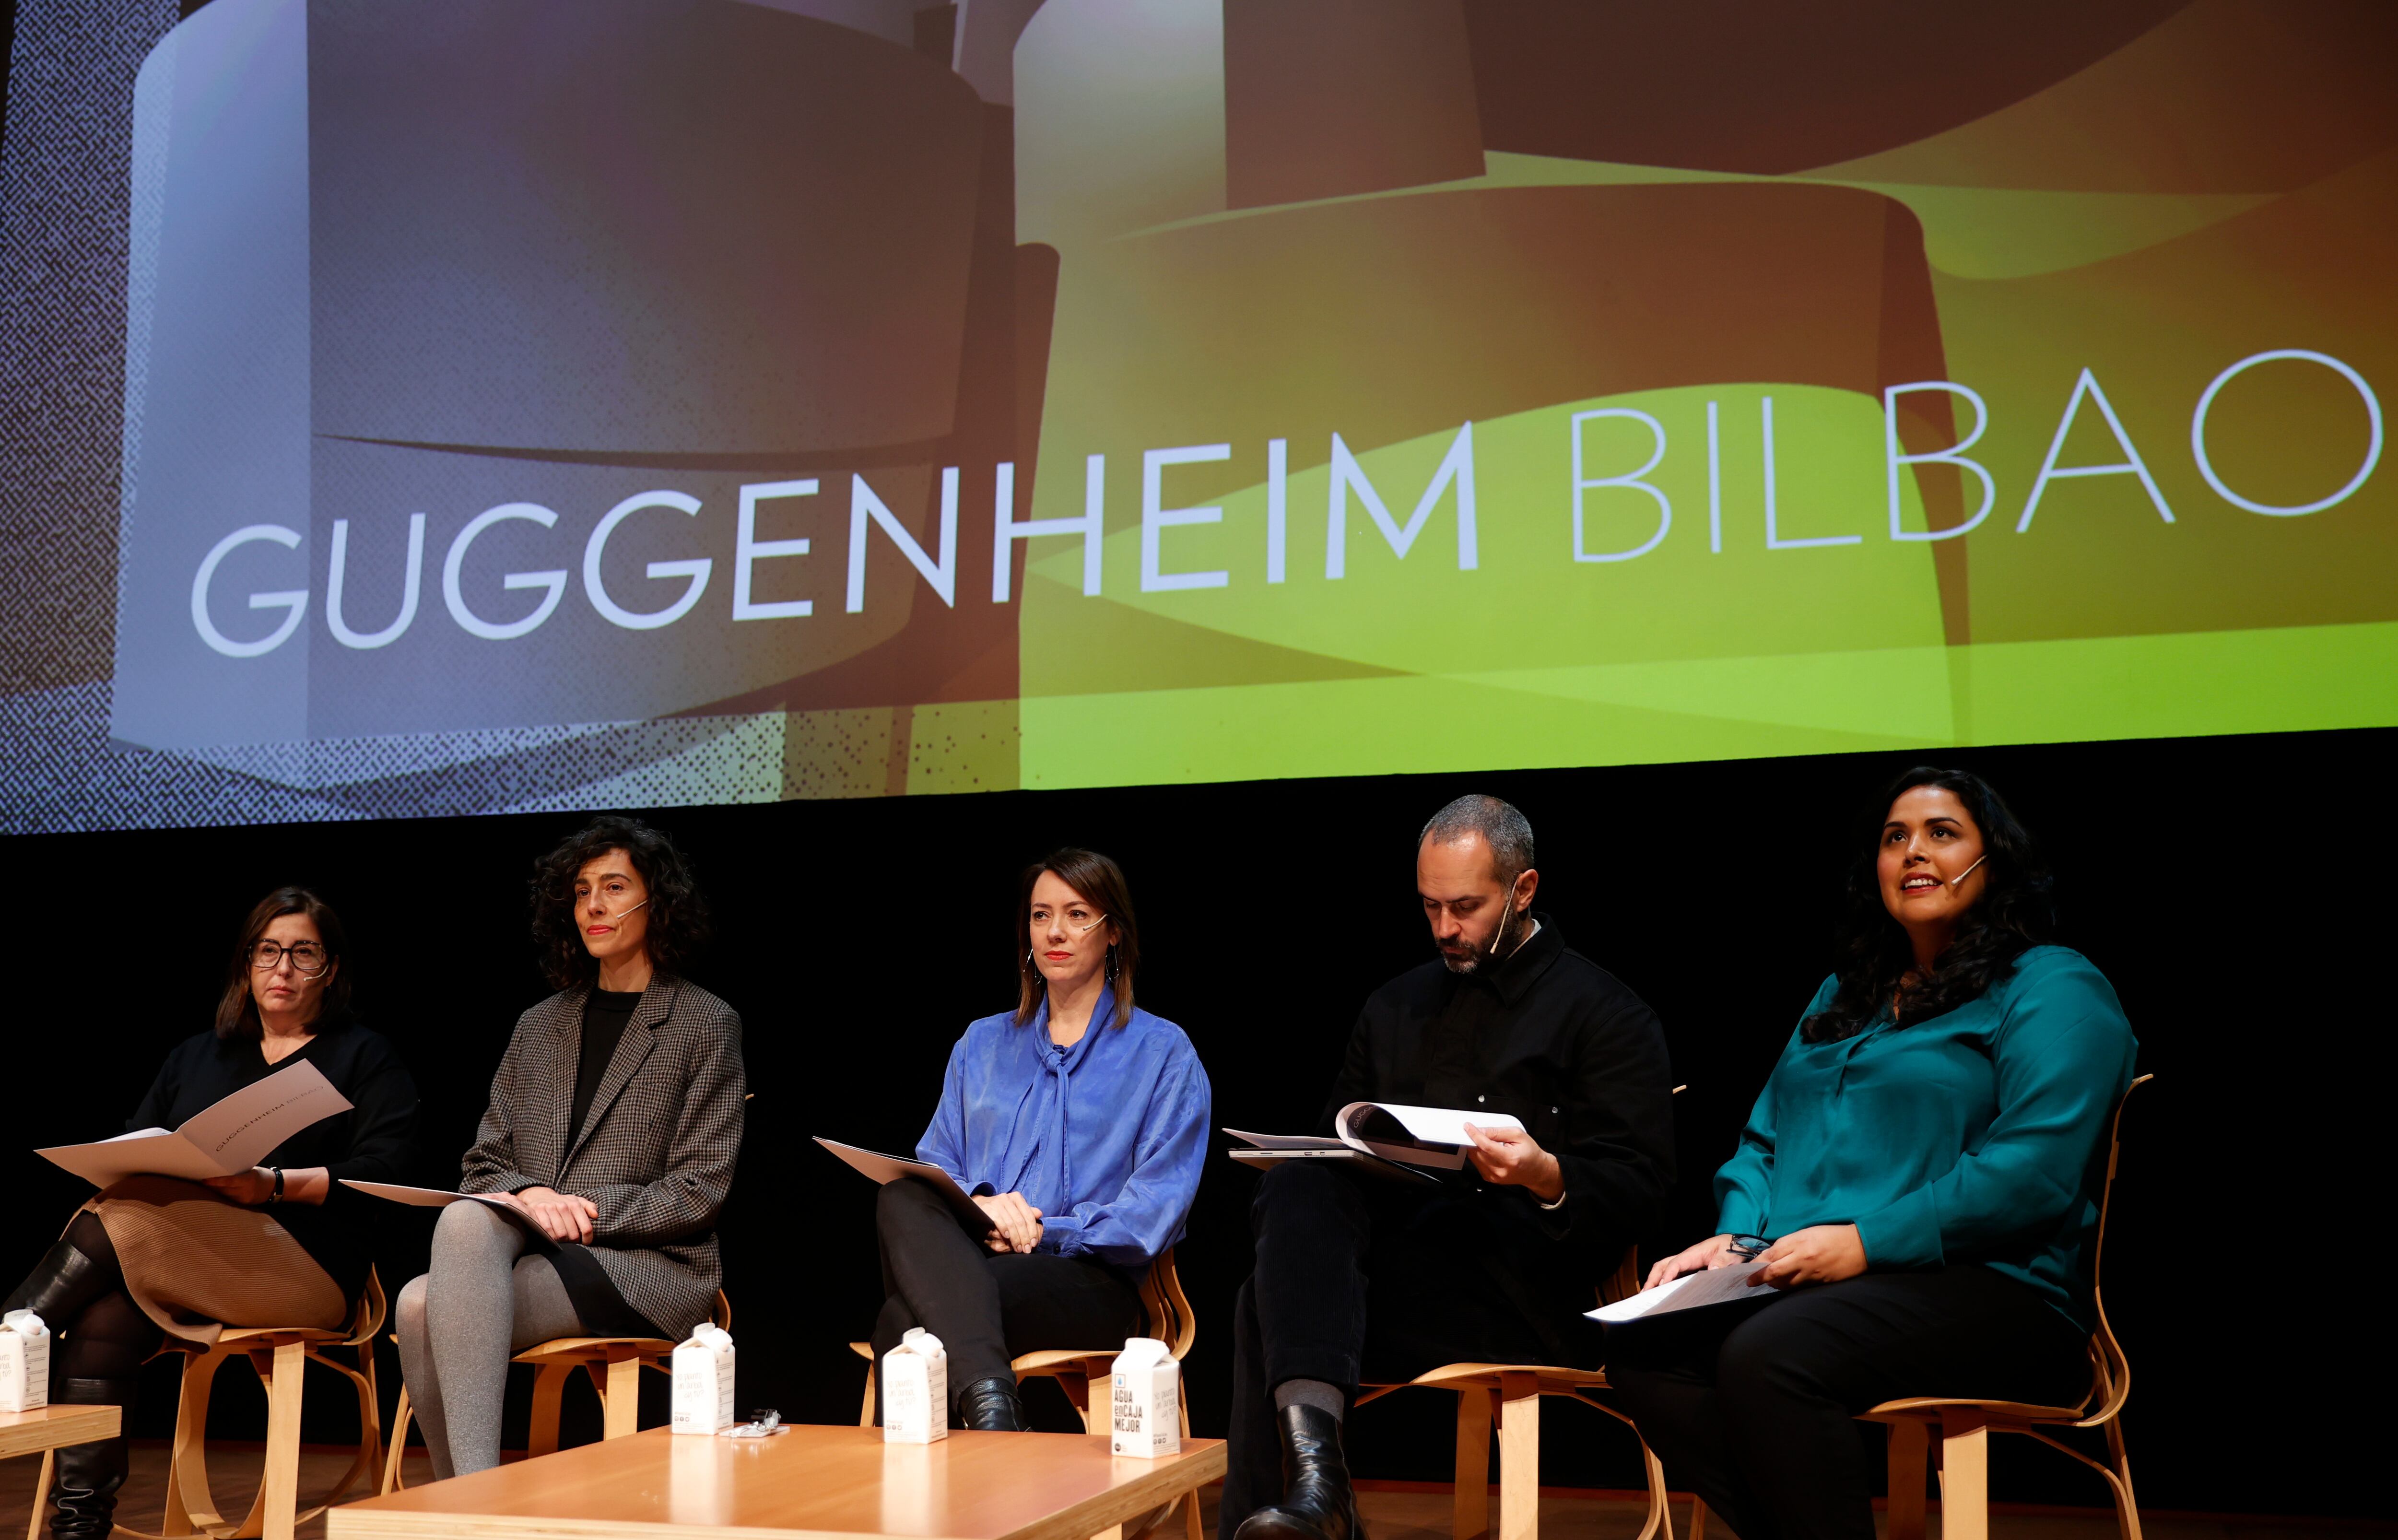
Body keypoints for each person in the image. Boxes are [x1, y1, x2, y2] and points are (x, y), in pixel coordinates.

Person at [1606, 766, 2139, 1540]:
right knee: (1644, 1344)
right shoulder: (1841, 995)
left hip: (1995, 1288)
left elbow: (2034, 1170)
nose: (1914, 853)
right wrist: (1737, 1236)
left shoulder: (2052, 985)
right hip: (1813, 1281)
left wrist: (1864, 1243)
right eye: (1896, 839)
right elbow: (1766, 1139)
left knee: (1771, 1355)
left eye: (1942, 833)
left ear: (1997, 860)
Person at [1224, 796, 1677, 1540]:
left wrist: (1545, 1173)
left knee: (1263, 1300)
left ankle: (1315, 1505)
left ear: (1524, 890)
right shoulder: (1394, 1005)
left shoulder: (1607, 1013)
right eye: (1429, 905)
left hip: (1531, 1292)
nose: (1443, 928)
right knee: (1301, 1184)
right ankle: (1317, 1495)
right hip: (1408, 1278)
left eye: (1465, 906)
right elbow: (1336, 1156)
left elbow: (1641, 1191)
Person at [4, 888, 420, 1540]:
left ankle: (8, 1342)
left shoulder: (363, 1056)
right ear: (245, 964)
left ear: (331, 968)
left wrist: (274, 1185)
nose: (282, 968)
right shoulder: (198, 1055)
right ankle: (78, 1527)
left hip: (305, 1271)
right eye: (268, 951)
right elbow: (138, 1149)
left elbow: (386, 1176)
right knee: (102, 1313)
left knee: (125, 1216)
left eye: (303, 953)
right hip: (185, 1258)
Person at [394, 815, 744, 1480]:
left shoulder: (705, 1021)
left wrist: (579, 1209)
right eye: (582, 891)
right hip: (532, 1248)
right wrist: (532, 1197)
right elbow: (483, 1163)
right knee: (432, 1272)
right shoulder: (539, 1024)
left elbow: (700, 1188)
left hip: (640, 1262)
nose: (594, 906)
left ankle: (466, 1507)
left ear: (658, 901)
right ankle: (468, 1501)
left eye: (614, 887)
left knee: (422, 1302)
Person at [870, 848, 1211, 1431]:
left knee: (903, 1323)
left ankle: (936, 1497)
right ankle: (994, 1411)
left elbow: (1150, 1214)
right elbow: (936, 1166)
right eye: (1040, 915)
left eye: (1077, 915)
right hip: (971, 1261)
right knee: (900, 1196)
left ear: (1114, 936)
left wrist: (1039, 1228)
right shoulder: (980, 1043)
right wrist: (981, 1211)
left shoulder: (1163, 1053)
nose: (1055, 931)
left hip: (1091, 1282)